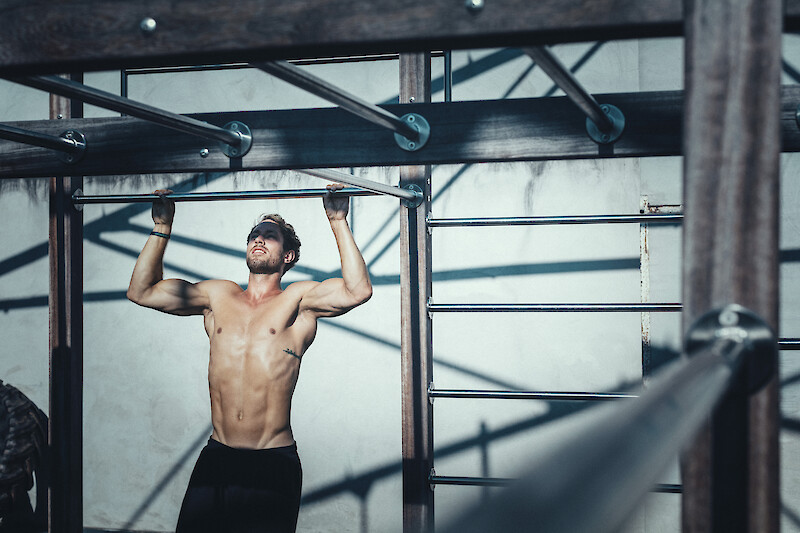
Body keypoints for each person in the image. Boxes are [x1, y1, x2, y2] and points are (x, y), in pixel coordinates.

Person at [126, 184, 372, 533]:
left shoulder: (298, 301)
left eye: (270, 236)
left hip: (272, 461)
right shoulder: (218, 295)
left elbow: (357, 290)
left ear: (288, 256)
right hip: (218, 456)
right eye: (254, 235)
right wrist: (161, 227)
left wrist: (337, 221)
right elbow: (141, 291)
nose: (259, 239)